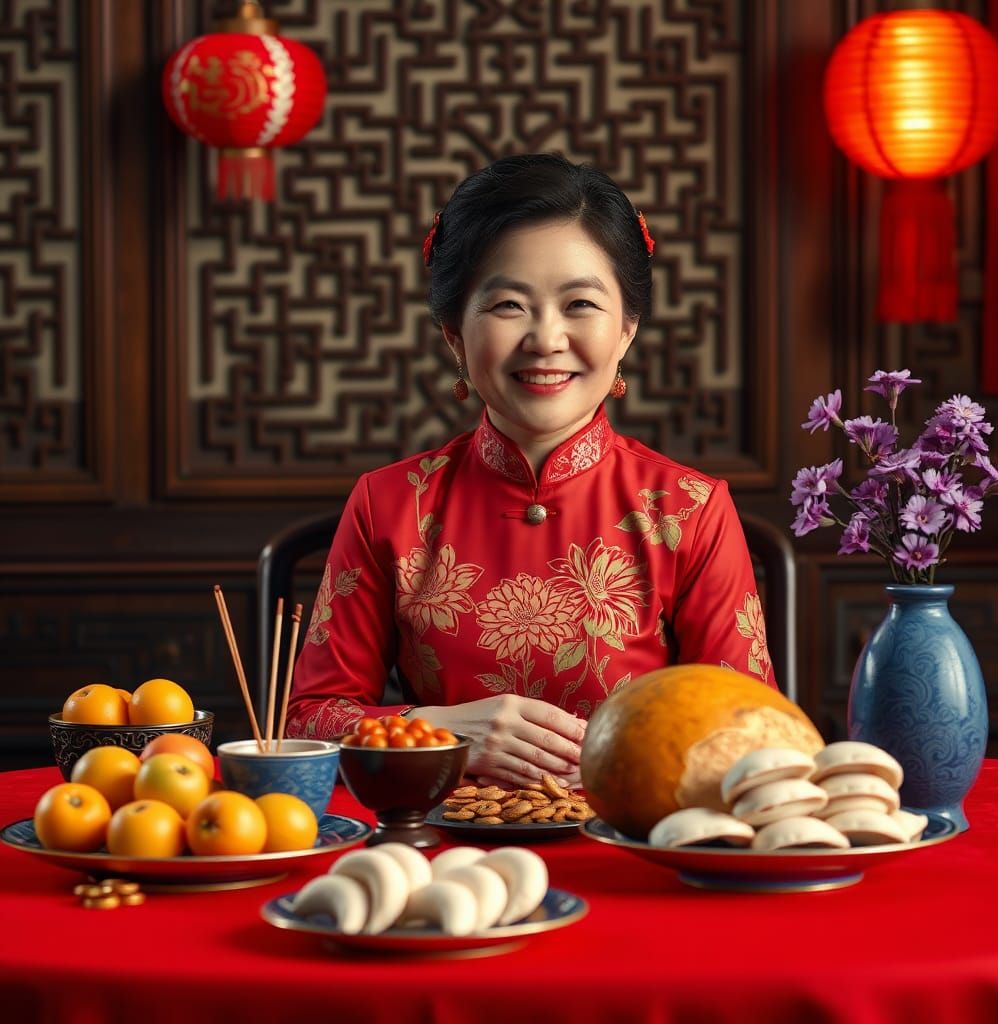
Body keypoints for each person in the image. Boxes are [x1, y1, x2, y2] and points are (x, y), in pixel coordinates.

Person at [285, 153, 776, 789]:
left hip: (628, 835)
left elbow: (748, 728)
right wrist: (440, 733)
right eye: (509, 305)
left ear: (626, 330)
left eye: (580, 303)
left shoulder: (688, 508)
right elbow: (308, 722)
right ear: (454, 335)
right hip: (438, 835)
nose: (546, 339)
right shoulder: (391, 502)